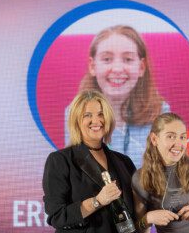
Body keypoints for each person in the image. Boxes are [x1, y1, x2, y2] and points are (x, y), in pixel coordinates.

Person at [43, 90, 137, 233]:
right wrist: (97, 201)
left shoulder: (124, 162)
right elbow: (57, 215)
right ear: (77, 120)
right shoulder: (60, 160)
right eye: (88, 115)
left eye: (101, 114)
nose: (97, 120)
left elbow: (134, 211)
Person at [65, 25, 170, 168]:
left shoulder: (161, 112)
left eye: (128, 59)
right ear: (92, 66)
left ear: (141, 67)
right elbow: (76, 172)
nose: (117, 69)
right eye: (107, 59)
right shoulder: (75, 112)